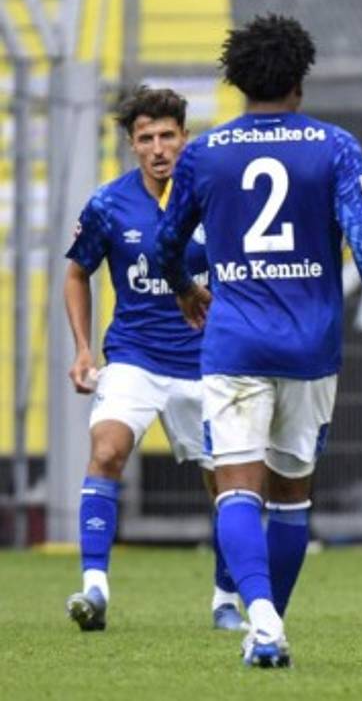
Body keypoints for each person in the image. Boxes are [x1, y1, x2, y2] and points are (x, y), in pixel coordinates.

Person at [156, 14, 362, 668]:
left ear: (238, 81)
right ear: (300, 81)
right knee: (292, 494)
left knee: (237, 487)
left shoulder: (205, 153)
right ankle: (269, 623)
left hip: (234, 343)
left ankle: (262, 620)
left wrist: (185, 285)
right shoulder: (334, 147)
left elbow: (166, 244)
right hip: (311, 348)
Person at [63, 86, 247, 633]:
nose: (159, 147)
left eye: (168, 135)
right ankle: (94, 589)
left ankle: (224, 601)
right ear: (132, 144)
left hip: (208, 363)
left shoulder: (217, 199)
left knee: (228, 487)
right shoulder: (108, 204)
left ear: (185, 139)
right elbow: (78, 272)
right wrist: (81, 347)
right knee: (107, 449)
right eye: (147, 138)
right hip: (135, 357)